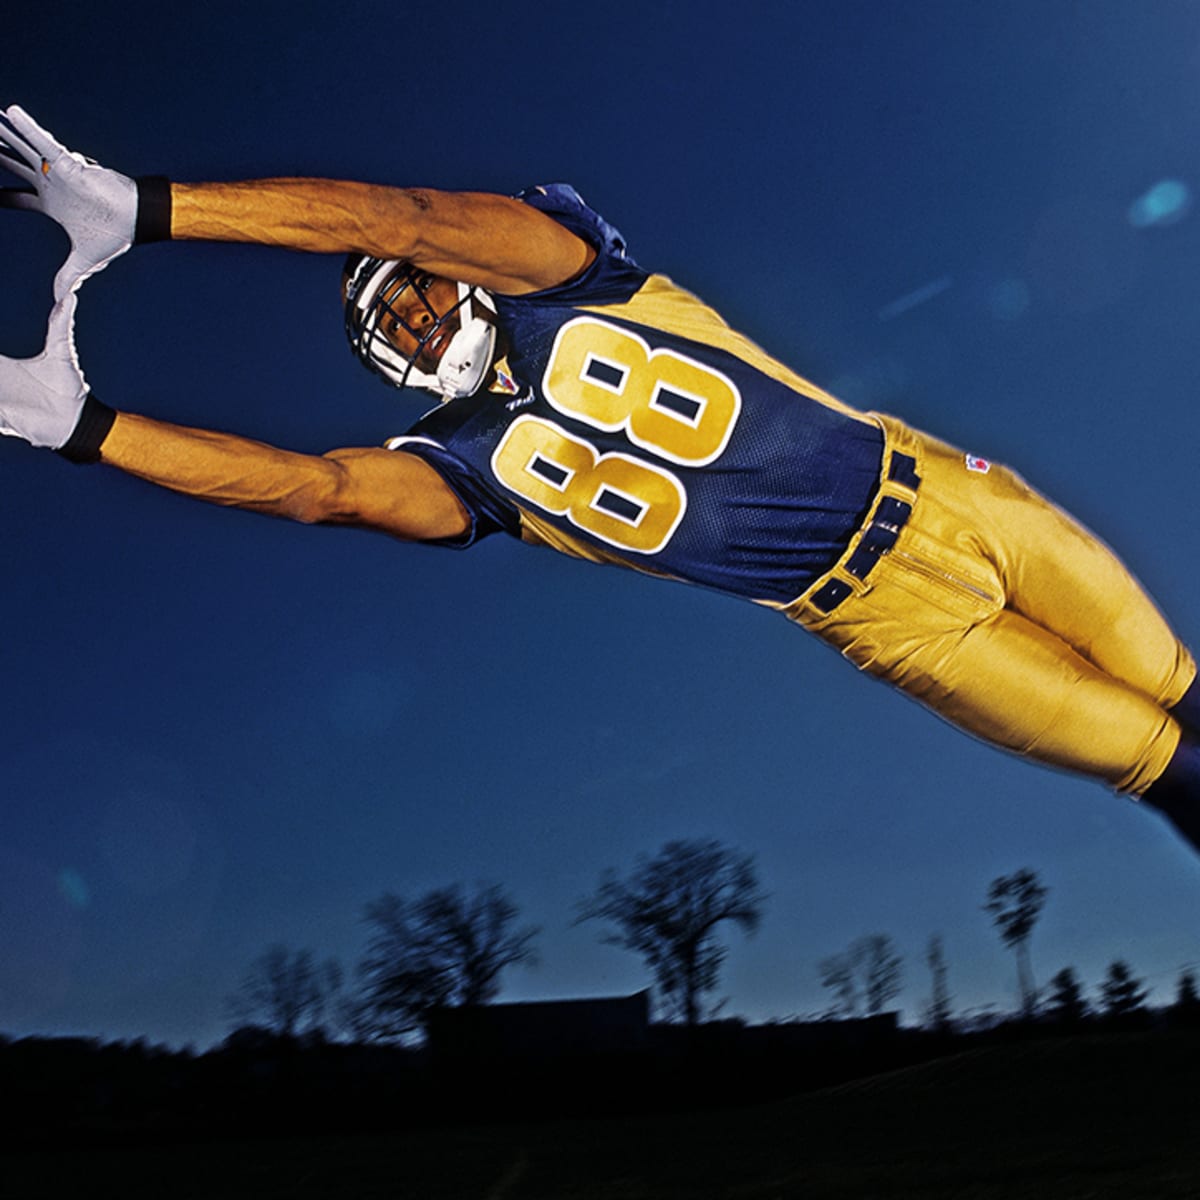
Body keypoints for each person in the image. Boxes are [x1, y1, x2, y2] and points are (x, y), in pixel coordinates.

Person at [2, 105, 1199, 851]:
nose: (422, 318)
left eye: (418, 288)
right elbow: (316, 487)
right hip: (888, 626)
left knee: (1184, 695)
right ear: (387, 365)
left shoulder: (570, 278)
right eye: (397, 324)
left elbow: (400, 211)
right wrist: (83, 428)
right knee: (1171, 775)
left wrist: (150, 209)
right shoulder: (464, 473)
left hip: (949, 494)